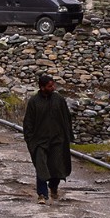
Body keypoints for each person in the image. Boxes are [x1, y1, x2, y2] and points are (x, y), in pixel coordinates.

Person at [22, 73, 73, 203]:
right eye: (50, 86)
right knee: (41, 167)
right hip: (39, 141)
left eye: (53, 85)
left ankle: (53, 186)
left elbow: (67, 118)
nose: (53, 88)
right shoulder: (34, 102)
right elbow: (28, 123)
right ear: (42, 87)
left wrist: (68, 136)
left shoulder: (59, 100)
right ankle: (42, 195)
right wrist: (30, 140)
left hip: (57, 140)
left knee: (57, 168)